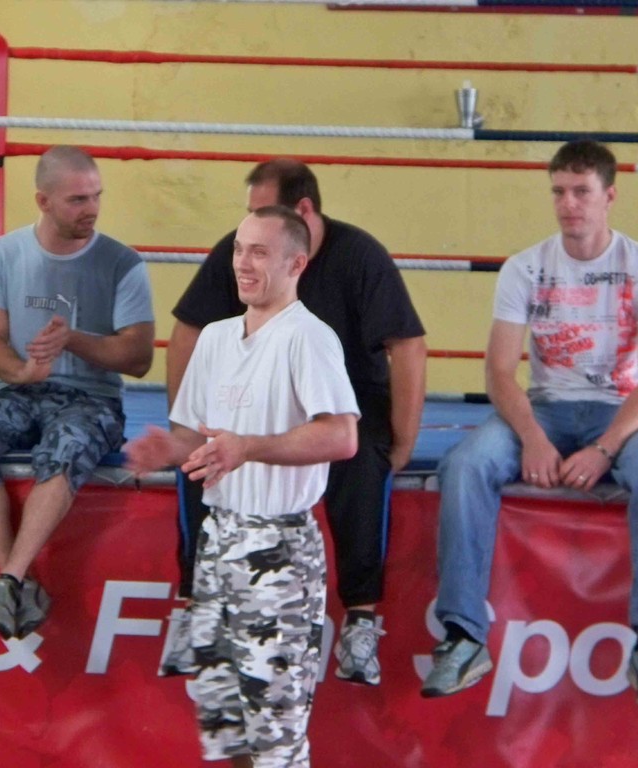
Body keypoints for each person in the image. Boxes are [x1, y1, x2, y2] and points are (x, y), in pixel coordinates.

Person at [421, 140, 638, 716]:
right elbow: (499, 372)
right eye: (559, 192)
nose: (569, 204)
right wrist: (533, 438)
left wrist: (603, 448)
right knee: (464, 465)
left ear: (609, 196)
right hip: (544, 408)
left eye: (581, 192)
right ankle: (464, 637)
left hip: (622, 411)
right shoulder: (526, 267)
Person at [163, 159, 426, 683]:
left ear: (300, 221)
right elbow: (186, 332)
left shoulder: (354, 264)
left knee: (362, 460)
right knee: (199, 457)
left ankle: (361, 616)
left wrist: (402, 443)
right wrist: (183, 431)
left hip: (343, 401)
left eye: (260, 242)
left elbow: (407, 346)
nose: (246, 254)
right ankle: (193, 603)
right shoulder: (235, 265)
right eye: (244, 240)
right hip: (262, 403)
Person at [126, 206, 359, 767]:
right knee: (223, 723)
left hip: (279, 547)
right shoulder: (215, 338)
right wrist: (169, 450)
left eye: (259, 252)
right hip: (218, 542)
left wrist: (249, 447)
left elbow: (343, 436)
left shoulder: (309, 337)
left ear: (296, 264)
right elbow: (197, 436)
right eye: (238, 249)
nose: (242, 263)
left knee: (275, 734)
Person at [0, 145, 155, 640]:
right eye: (77, 200)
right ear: (43, 201)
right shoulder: (1, 254)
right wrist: (22, 372)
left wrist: (73, 340)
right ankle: (12, 577)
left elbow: (139, 357)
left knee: (67, 443)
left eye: (96, 196)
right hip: (20, 390)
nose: (91, 208)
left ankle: (10, 576)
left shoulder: (122, 263)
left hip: (92, 398)